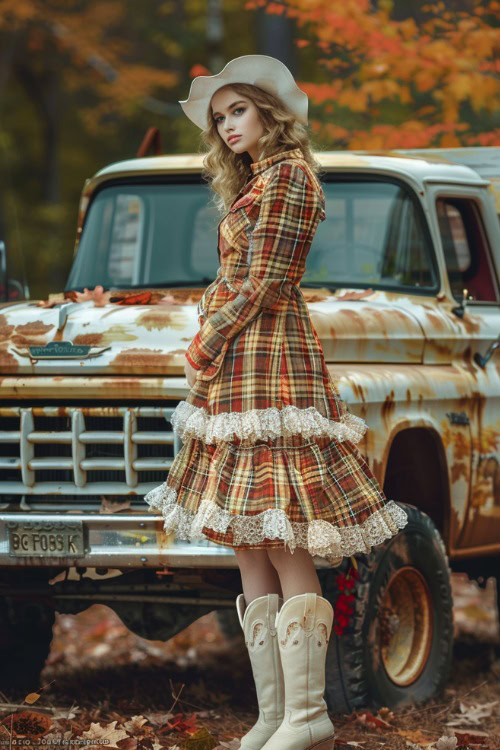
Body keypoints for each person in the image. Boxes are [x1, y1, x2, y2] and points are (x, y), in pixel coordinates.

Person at [144, 54, 409, 750]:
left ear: (269, 111)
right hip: (241, 365)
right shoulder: (258, 180)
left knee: (284, 524)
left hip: (271, 359)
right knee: (248, 535)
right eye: (220, 116)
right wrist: (213, 343)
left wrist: (209, 337)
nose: (228, 125)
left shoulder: (289, 176)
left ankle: (309, 714)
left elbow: (264, 280)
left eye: (238, 110)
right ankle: (274, 714)